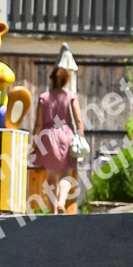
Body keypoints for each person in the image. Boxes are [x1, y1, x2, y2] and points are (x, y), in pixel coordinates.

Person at [29, 64, 84, 213]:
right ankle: (61, 202)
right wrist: (81, 138)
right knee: (67, 174)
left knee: (51, 177)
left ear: (51, 79)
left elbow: (38, 124)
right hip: (66, 136)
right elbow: (79, 120)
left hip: (48, 138)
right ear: (66, 81)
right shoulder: (70, 97)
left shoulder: (44, 98)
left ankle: (53, 210)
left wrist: (34, 145)